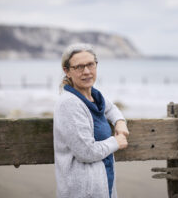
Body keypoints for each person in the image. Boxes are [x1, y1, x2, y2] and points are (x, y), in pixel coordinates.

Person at [53, 43, 129, 198]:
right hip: (82, 190)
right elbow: (86, 152)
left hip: (102, 183)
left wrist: (120, 122)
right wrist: (116, 142)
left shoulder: (93, 95)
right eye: (79, 67)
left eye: (90, 65)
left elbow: (111, 108)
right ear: (67, 71)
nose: (86, 71)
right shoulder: (69, 103)